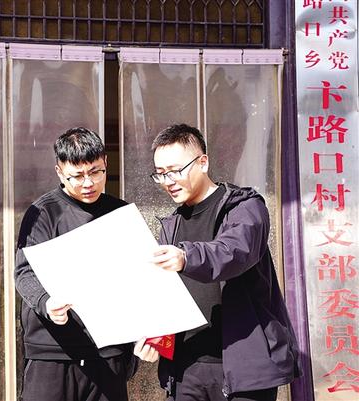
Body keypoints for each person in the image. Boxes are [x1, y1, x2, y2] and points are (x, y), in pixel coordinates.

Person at [134, 124, 301, 401]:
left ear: (203, 162)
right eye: (160, 174)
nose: (168, 181)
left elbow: (232, 252)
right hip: (185, 369)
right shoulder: (172, 225)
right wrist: (154, 339)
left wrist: (186, 256)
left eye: (175, 170)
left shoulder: (245, 207)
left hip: (244, 370)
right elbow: (166, 296)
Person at [15, 127, 135, 401]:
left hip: (108, 350)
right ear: (59, 172)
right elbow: (24, 272)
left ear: (106, 163)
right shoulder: (43, 212)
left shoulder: (121, 213)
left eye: (95, 172)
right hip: (52, 351)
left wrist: (140, 339)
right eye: (77, 176)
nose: (88, 183)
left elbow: (139, 278)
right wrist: (46, 303)